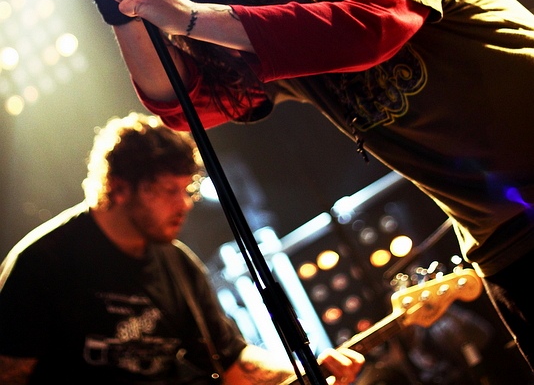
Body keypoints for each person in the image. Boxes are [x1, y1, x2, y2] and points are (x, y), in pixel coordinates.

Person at [59, 0, 534, 374]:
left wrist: (192, 17)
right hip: (506, 246)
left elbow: (375, 27)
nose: (245, 50)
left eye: (245, 21)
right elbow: (183, 106)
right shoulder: (292, 65)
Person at [0, 112, 364, 384]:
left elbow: (234, 361)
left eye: (186, 190)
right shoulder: (42, 265)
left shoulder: (176, 263)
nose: (185, 204)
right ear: (120, 187)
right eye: (168, 191)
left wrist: (312, 368)